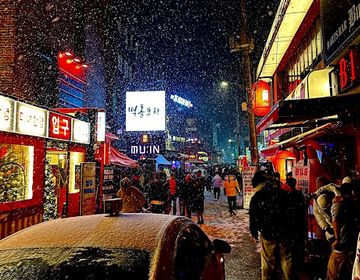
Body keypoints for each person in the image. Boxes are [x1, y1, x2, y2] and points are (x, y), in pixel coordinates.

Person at [249, 171, 293, 280]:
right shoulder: (280, 192)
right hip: (285, 231)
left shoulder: (256, 198)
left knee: (268, 261)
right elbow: (290, 212)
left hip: (268, 232)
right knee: (287, 260)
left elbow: (253, 218)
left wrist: (254, 232)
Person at [327, 177, 358, 280]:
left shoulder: (339, 204)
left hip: (342, 246)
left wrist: (337, 239)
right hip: (352, 245)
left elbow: (335, 220)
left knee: (334, 273)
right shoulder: (354, 203)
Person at [286, 177, 307, 278]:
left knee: (293, 244)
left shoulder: (288, 196)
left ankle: (295, 264)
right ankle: (300, 262)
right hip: (300, 222)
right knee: (299, 243)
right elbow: (303, 206)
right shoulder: (299, 194)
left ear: (289, 185)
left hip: (292, 223)